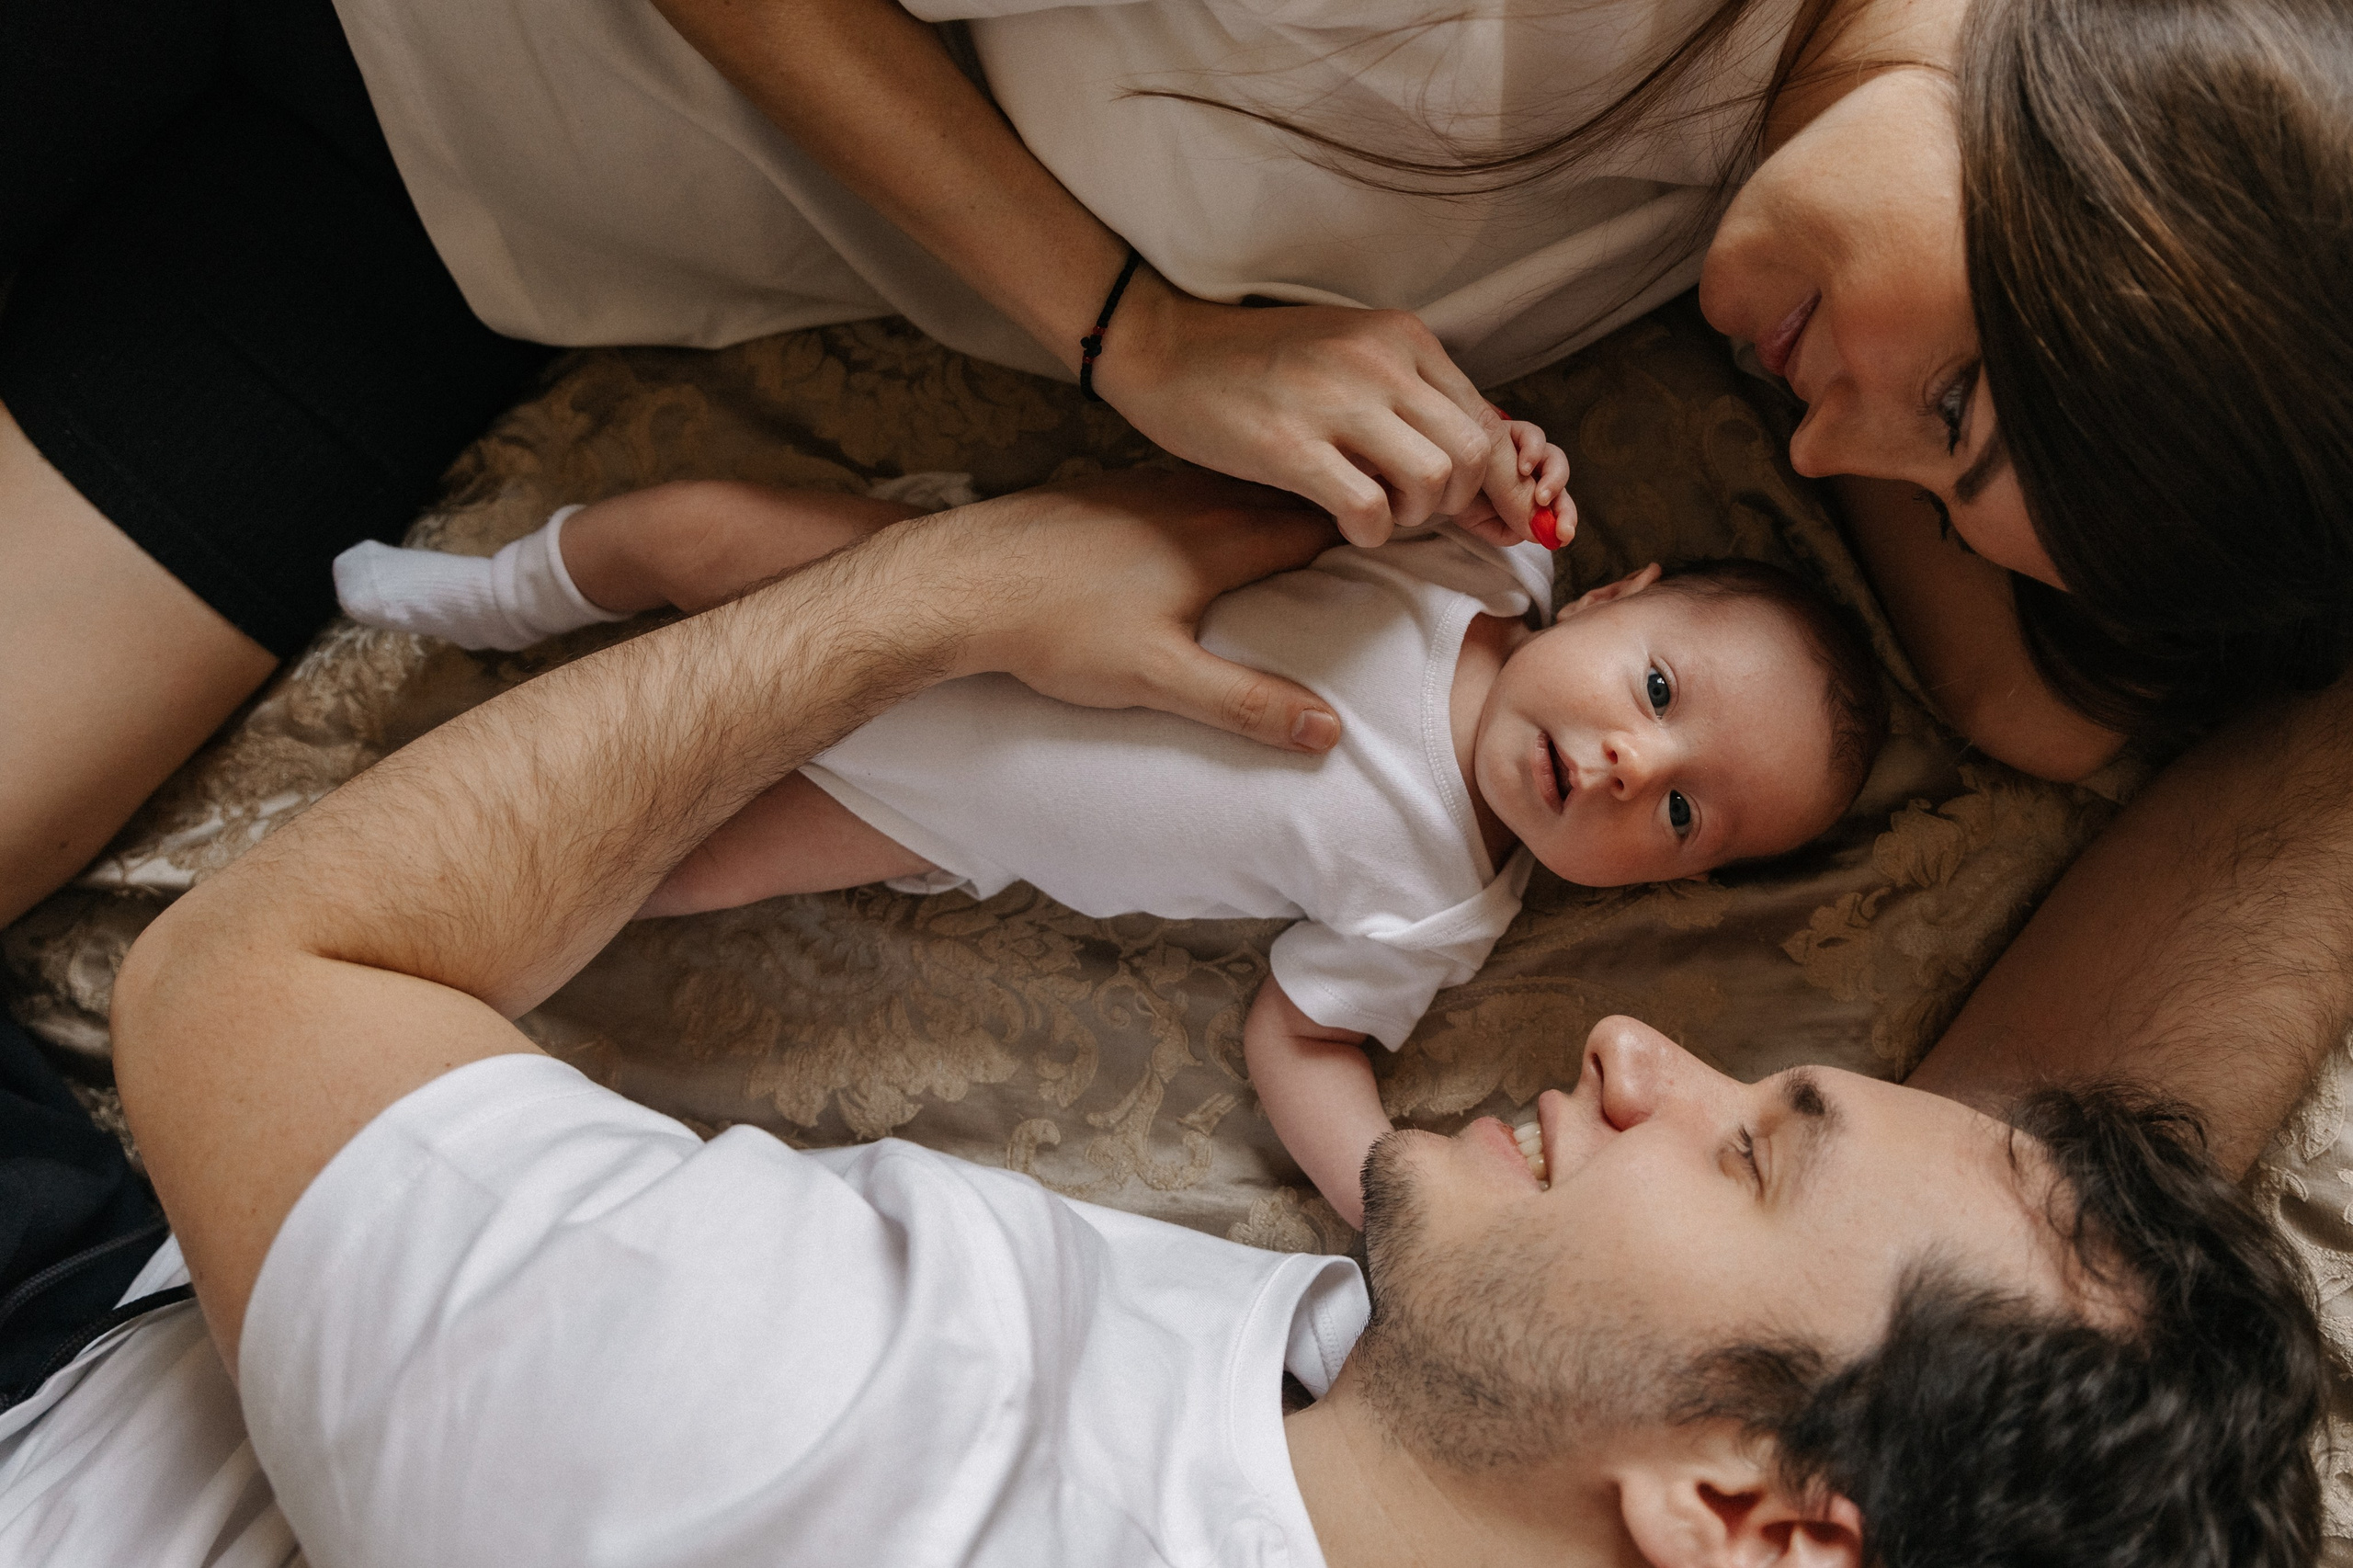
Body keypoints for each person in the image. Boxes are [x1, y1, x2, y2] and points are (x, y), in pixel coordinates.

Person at [2, 482, 2323, 1566]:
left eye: (1738, 1147)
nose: (1639, 1050)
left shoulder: (832, 1451)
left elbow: (253, 985)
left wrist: (928, 596)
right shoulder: (1537, 1420)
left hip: (88, 1350)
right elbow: (2002, 1270)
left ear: (1750, 1515)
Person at [333, 465, 1886, 1226]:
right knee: (686, 533)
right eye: (1660, 690)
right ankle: (488, 597)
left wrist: (1389, 1200)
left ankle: (390, 899)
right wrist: (1500, 467)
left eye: (1684, 812)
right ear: (1614, 597)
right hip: (936, 591)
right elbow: (1372, 460)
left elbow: (1300, 1040)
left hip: (917, 811)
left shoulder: (1441, 906)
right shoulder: (1470, 565)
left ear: (1673, 883)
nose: (1629, 763)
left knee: (663, 863)